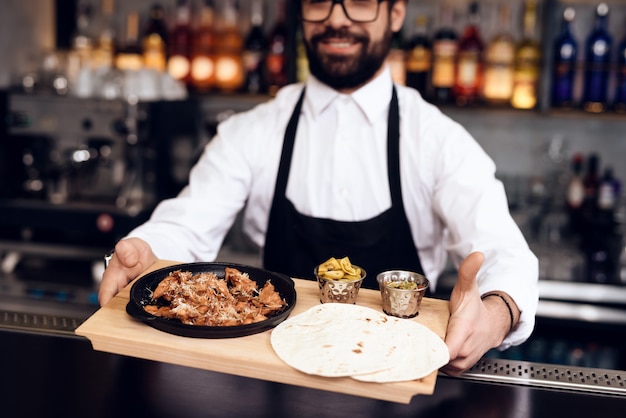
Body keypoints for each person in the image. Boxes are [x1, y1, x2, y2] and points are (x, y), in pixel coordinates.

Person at [99, 0, 538, 375]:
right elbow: (190, 222)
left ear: (397, 11)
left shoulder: (438, 139)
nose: (337, 18)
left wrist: (496, 313)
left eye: (360, 1)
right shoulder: (253, 130)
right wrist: (146, 250)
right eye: (318, 1)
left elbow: (505, 253)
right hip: (269, 378)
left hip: (394, 377)